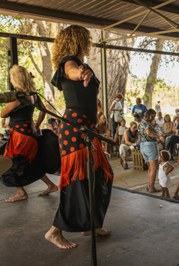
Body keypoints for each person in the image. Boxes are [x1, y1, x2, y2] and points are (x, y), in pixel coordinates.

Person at [45, 25, 113, 249]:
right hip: (75, 131)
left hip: (86, 131)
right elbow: (72, 70)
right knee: (77, 182)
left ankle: (90, 224)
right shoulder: (69, 62)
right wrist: (82, 72)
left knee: (99, 177)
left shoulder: (77, 63)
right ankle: (55, 231)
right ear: (79, 40)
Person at [1, 65, 58, 202]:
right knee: (31, 163)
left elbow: (2, 113)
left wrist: (8, 112)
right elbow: (43, 110)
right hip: (30, 135)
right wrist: (37, 125)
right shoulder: (33, 94)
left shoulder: (18, 97)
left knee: (10, 164)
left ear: (15, 79)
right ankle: (51, 185)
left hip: (21, 137)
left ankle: (20, 192)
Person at [139, 109, 165, 193]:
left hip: (143, 145)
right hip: (149, 146)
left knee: (150, 167)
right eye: (153, 116)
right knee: (154, 168)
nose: (154, 118)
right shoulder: (146, 123)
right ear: (149, 115)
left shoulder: (142, 122)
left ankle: (149, 185)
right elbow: (148, 132)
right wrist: (158, 137)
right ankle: (151, 188)